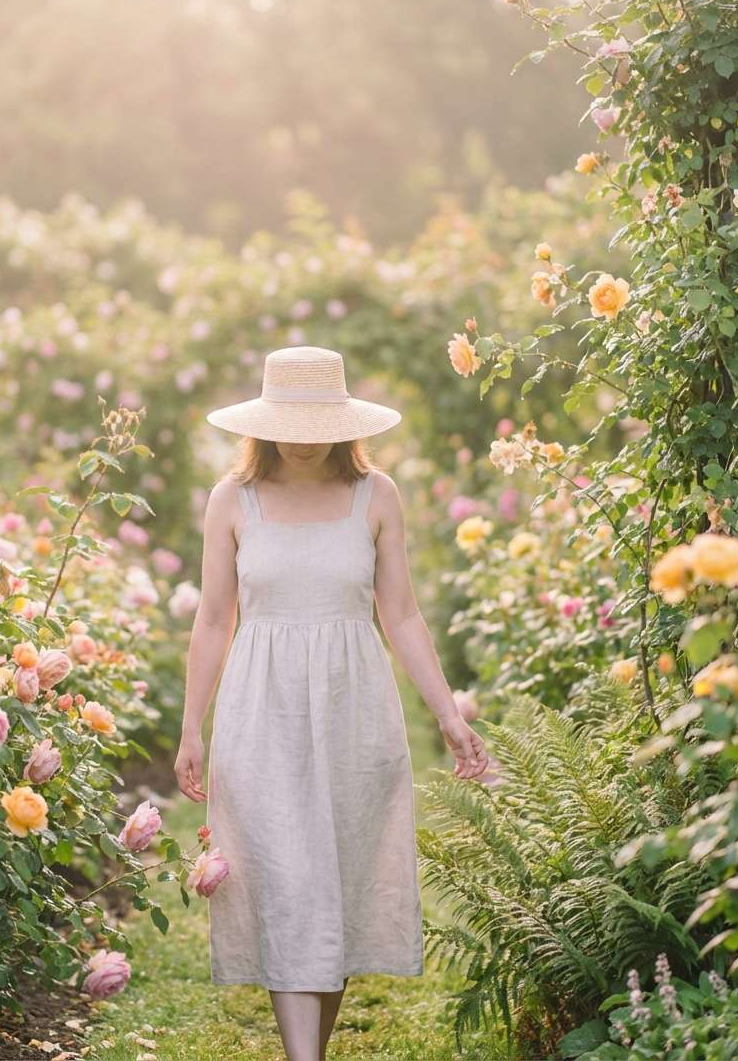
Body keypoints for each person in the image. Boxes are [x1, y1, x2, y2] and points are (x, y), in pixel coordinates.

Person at [174, 345, 488, 1061]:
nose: (304, 440)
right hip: (262, 712)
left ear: (344, 424)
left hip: (354, 712)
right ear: (265, 421)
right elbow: (213, 618)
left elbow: (401, 613)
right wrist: (193, 726)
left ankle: (309, 1047)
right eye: (290, 423)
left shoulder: (376, 496)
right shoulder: (234, 501)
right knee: (285, 875)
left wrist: (448, 716)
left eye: (319, 425)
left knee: (336, 886)